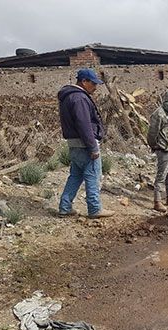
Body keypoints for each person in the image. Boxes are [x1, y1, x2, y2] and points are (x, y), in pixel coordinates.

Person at [58, 69, 114, 219]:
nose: (95, 87)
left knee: (75, 176)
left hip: (73, 144)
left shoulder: (68, 97)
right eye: (93, 83)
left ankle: (65, 206)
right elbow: (84, 124)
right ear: (84, 81)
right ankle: (95, 209)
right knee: (92, 176)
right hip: (85, 144)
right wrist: (93, 147)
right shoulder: (79, 98)